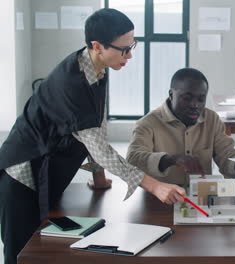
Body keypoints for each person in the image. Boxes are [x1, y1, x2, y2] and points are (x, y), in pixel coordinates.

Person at [0, 8, 185, 264]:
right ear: (97, 45)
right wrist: (155, 185)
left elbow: (96, 126)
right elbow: (98, 147)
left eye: (132, 45)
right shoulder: (72, 84)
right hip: (23, 170)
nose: (130, 55)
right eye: (124, 49)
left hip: (48, 165)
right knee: (22, 252)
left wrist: (99, 178)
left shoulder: (97, 68)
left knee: (49, 247)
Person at [126, 68, 235, 185]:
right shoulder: (148, 123)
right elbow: (133, 159)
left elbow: (227, 159)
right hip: (159, 200)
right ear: (171, 94)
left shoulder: (212, 120)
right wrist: (172, 159)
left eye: (201, 99)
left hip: (201, 198)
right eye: (187, 98)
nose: (195, 105)